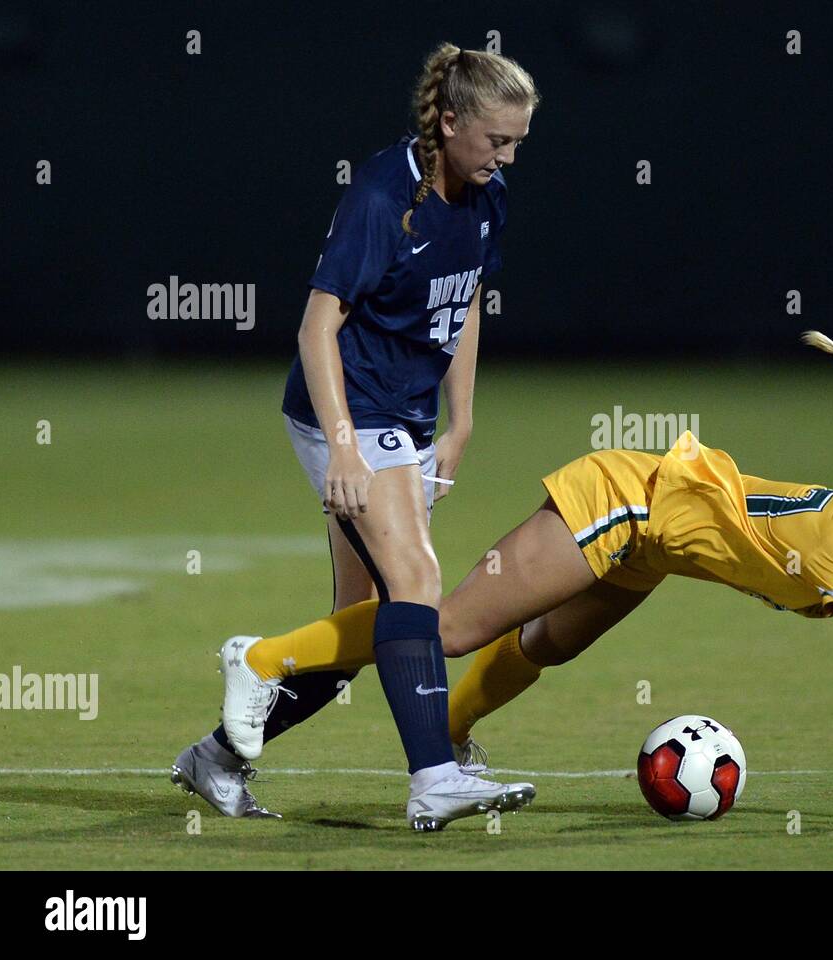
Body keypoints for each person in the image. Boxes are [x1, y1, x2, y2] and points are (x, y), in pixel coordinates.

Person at [212, 331, 833, 815]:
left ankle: (449, 737)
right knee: (448, 626)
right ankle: (260, 660)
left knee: (544, 645)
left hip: (655, 550)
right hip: (621, 497)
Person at [172, 42, 541, 832]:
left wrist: (462, 420)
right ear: (449, 122)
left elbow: (465, 299)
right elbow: (315, 328)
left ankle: (218, 756)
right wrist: (342, 446)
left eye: (517, 143)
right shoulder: (382, 197)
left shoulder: (486, 196)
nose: (507, 157)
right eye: (495, 141)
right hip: (345, 407)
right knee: (419, 587)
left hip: (404, 414)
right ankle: (433, 775)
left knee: (365, 632)